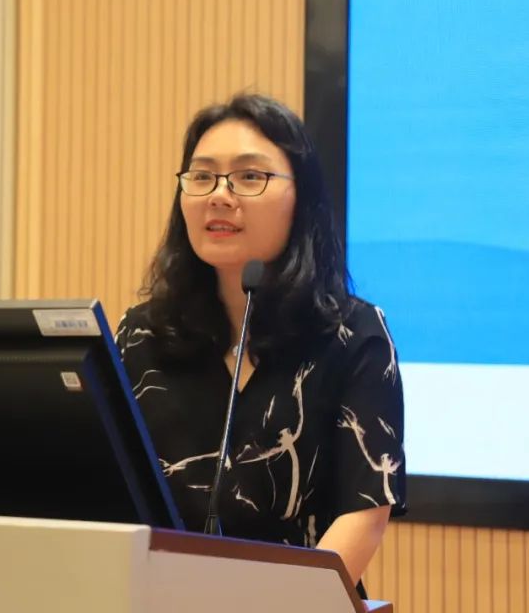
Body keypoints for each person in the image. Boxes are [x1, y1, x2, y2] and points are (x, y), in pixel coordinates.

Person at [115, 93, 406, 588]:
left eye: (249, 177)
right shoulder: (142, 334)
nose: (219, 195)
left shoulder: (354, 335)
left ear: (301, 201)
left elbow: (364, 516)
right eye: (202, 176)